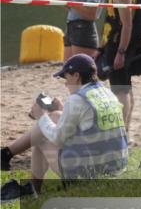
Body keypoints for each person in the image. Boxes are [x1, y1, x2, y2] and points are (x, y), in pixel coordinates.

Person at [1, 54, 127, 201]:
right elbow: (89, 124)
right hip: (116, 167)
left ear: (76, 76)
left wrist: (41, 116)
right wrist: (61, 108)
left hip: (91, 174)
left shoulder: (77, 99)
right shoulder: (107, 93)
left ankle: (32, 188)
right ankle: (8, 157)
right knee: (55, 116)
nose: (66, 84)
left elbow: (58, 139)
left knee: (41, 136)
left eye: (66, 78)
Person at [100, 0, 138, 129]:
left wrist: (121, 53)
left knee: (120, 91)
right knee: (125, 88)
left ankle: (122, 132)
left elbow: (127, 25)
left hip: (119, 46)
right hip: (116, 45)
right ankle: (125, 132)